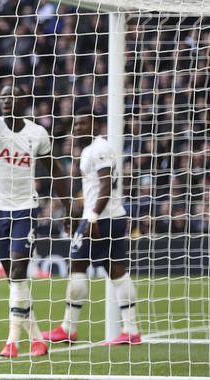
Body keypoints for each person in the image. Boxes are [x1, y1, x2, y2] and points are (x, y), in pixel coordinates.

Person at [0, 86, 71, 358]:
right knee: (14, 280)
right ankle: (37, 338)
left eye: (12, 96)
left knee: (17, 272)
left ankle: (11, 342)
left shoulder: (37, 134)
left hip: (25, 209)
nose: (6, 100)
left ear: (23, 102)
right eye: (2, 97)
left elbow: (55, 170)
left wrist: (69, 208)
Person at [42, 109, 141, 345]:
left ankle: (68, 328)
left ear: (96, 125)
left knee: (77, 265)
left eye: (83, 124)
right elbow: (96, 189)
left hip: (101, 219)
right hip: (111, 216)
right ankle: (131, 330)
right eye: (76, 125)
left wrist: (93, 217)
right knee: (116, 270)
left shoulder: (98, 149)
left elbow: (106, 185)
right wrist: (75, 213)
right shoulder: (91, 149)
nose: (77, 128)